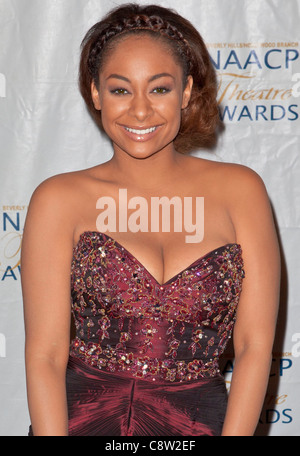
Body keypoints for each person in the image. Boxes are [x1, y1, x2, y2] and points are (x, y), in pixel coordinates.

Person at [21, 3, 281, 436]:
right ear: (96, 93)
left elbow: (255, 347)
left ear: (185, 92)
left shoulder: (241, 191)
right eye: (121, 90)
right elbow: (45, 357)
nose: (140, 111)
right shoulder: (59, 199)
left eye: (159, 89)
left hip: (205, 428)